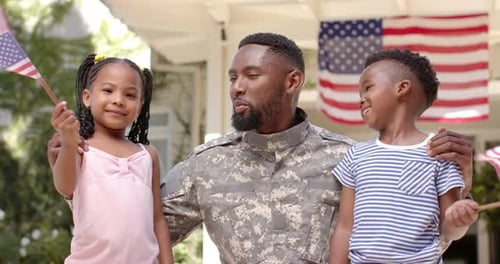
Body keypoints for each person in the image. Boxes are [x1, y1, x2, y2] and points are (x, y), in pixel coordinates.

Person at [48, 33, 474, 263]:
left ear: (291, 82)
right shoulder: (205, 165)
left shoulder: (350, 159)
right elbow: (133, 231)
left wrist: (457, 199)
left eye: (251, 75)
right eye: (233, 76)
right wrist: (86, 166)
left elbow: (405, 242)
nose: (236, 86)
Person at [329, 49, 478, 264]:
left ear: (402, 88)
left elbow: (449, 230)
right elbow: (345, 227)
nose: (361, 99)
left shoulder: (439, 153)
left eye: (368, 87)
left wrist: (459, 221)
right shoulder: (356, 155)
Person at [49, 54, 174, 264]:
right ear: (87, 97)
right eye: (108, 90)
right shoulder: (80, 148)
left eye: (130, 95)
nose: (118, 100)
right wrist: (69, 143)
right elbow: (64, 186)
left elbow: (157, 219)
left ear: (140, 105)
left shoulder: (147, 155)